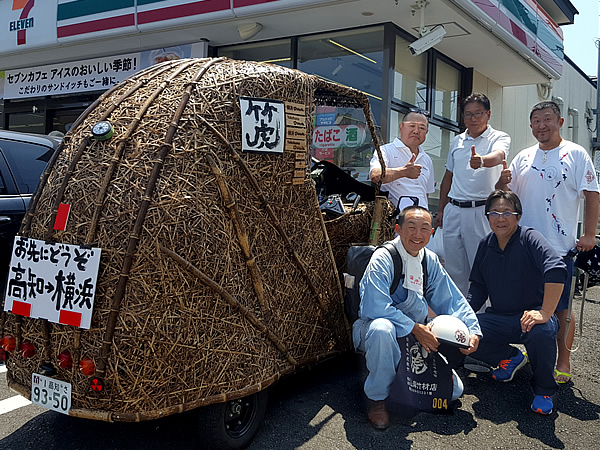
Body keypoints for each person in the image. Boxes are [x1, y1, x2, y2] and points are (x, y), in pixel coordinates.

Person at [497, 101, 600, 384]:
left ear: (560, 121)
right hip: (523, 248)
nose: (541, 126)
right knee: (525, 307)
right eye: (536, 121)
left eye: (547, 120)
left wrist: (589, 234)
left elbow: (592, 194)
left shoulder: (576, 154)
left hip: (559, 249)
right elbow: (509, 198)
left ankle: (563, 362)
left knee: (561, 309)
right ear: (531, 126)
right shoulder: (523, 156)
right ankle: (531, 354)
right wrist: (502, 183)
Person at [353, 206, 481, 430]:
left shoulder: (428, 260)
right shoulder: (383, 258)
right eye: (411, 227)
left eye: (424, 229)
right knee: (382, 329)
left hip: (415, 333)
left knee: (454, 392)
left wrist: (472, 330)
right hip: (374, 329)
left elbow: (451, 299)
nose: (418, 234)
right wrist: (414, 328)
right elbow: (375, 307)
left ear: (431, 233)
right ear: (398, 229)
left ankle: (402, 389)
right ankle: (378, 399)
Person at [468, 190, 567, 415]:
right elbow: (478, 287)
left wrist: (544, 311)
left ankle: (543, 390)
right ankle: (510, 358)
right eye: (494, 213)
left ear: (518, 216)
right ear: (488, 217)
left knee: (541, 331)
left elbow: (556, 268)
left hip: (532, 318)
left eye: (506, 212)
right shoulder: (486, 244)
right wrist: (461, 317)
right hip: (500, 317)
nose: (500, 218)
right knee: (462, 332)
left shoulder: (530, 238)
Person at [436, 93, 511, 295]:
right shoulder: (457, 141)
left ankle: (484, 317)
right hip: (453, 211)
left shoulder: (499, 137)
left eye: (478, 113)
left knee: (482, 267)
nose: (473, 119)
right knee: (454, 269)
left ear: (488, 114)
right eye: (468, 114)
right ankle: (458, 316)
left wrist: (482, 160)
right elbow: (448, 178)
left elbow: (499, 155)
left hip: (481, 210)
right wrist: (441, 209)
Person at [369, 109, 434, 209]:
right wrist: (403, 172)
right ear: (401, 127)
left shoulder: (427, 159)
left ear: (426, 132)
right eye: (412, 126)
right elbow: (375, 175)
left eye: (422, 128)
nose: (416, 131)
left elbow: (426, 193)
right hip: (394, 219)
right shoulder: (385, 150)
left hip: (421, 219)